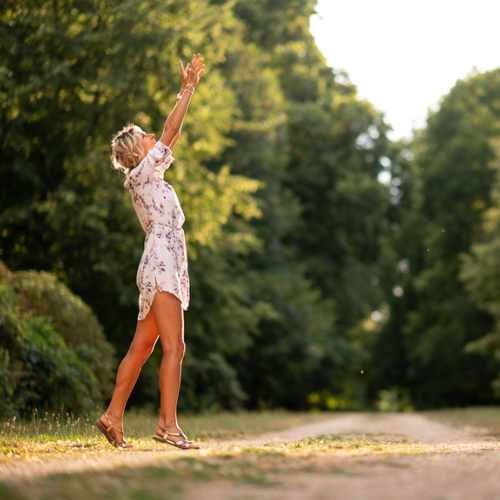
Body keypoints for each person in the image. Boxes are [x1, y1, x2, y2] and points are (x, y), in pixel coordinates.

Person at [96, 53, 205, 450]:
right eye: (145, 136)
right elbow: (171, 129)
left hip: (159, 261)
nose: (152, 138)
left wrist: (187, 91)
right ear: (138, 150)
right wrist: (188, 89)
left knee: (142, 348)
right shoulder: (141, 174)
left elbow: (171, 136)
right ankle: (167, 426)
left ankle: (112, 416)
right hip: (161, 262)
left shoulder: (148, 174)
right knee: (175, 346)